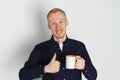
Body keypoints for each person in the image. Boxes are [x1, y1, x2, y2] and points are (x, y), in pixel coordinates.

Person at [19, 8, 97, 80]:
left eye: (61, 22)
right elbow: (23, 75)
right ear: (49, 26)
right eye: (53, 23)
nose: (58, 27)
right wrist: (46, 69)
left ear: (67, 22)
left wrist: (84, 67)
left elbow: (93, 76)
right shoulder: (40, 48)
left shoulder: (79, 46)